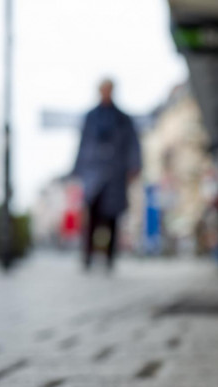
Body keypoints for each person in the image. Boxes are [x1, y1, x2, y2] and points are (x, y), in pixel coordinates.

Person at [71, 78, 141, 271]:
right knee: (91, 215)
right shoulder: (90, 117)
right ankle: (87, 256)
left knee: (112, 217)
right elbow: (82, 144)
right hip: (93, 172)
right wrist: (77, 171)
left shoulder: (123, 118)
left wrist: (134, 166)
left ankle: (110, 258)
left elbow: (133, 144)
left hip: (115, 172)